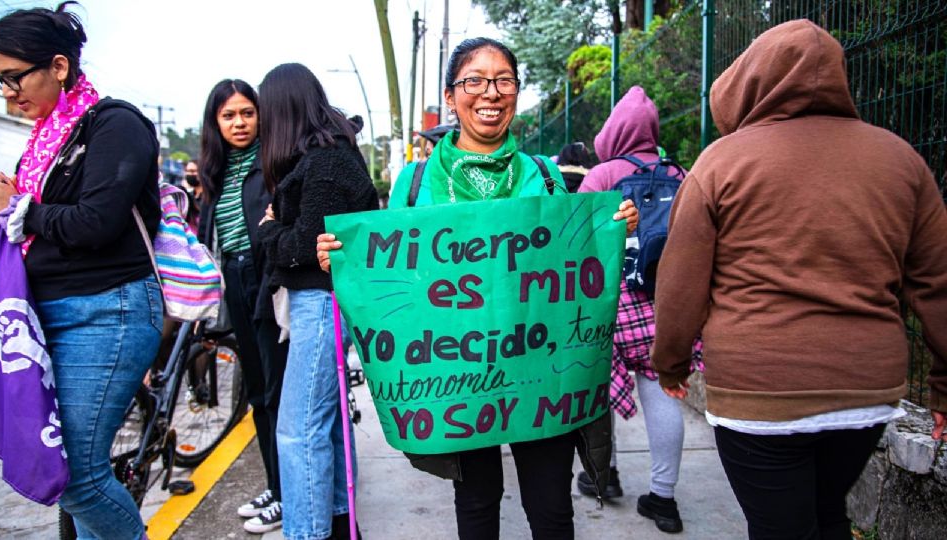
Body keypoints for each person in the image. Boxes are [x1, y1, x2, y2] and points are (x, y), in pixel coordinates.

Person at [316, 37, 639, 540]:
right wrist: (343, 257)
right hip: (456, 374)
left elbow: (574, 260)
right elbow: (394, 276)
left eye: (503, 80)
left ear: (515, 91)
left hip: (539, 372)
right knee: (476, 501)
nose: (490, 92)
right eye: (474, 81)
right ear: (451, 96)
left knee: (551, 506)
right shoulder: (416, 182)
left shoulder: (546, 176)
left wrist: (614, 226)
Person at [651, 20, 947, 540]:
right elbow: (937, 282)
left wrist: (670, 364)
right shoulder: (901, 159)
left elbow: (680, 287)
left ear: (750, 81)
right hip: (866, 390)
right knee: (830, 513)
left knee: (778, 526)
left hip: (758, 392)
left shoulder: (720, 164)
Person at [0, 3, 162, 538]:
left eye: (14, 77)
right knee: (75, 474)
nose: (6, 92)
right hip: (50, 316)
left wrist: (17, 209)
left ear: (58, 67)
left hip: (107, 311)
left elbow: (96, 221)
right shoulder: (42, 141)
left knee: (77, 478)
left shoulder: (116, 123)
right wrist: (12, 202)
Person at [256, 63, 379, 540]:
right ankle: (335, 524)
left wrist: (269, 231)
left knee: (299, 431)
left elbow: (308, 245)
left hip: (321, 304)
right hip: (322, 303)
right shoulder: (329, 154)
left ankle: (308, 533)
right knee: (323, 428)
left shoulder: (324, 161)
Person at [574, 85, 700, 534]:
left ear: (615, 130)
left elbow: (579, 239)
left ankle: (601, 476)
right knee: (665, 391)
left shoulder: (603, 174)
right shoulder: (681, 173)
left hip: (611, 301)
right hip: (665, 300)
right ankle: (663, 500)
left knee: (598, 390)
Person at [197, 79, 289, 534]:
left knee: (276, 391)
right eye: (229, 115)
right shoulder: (214, 171)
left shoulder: (272, 163)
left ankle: (291, 494)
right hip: (234, 277)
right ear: (215, 122)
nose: (239, 123)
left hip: (266, 279)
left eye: (247, 113)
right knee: (256, 394)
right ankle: (277, 484)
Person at [181, 158, 202, 232]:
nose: (189, 174)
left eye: (192, 171)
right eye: (187, 171)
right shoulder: (188, 196)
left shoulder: (208, 197)